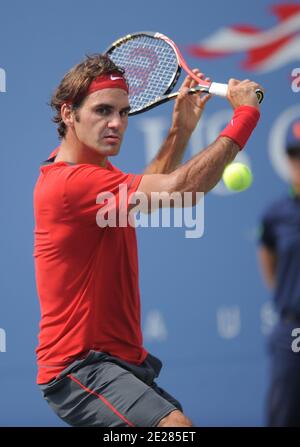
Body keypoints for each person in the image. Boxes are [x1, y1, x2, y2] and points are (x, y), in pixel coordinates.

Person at [33, 53, 262, 427]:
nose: (116, 123)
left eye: (124, 113)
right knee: (175, 430)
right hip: (80, 368)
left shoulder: (91, 172)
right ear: (68, 114)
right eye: (103, 111)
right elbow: (179, 190)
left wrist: (181, 131)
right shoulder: (70, 185)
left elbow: (149, 194)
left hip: (120, 361)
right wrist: (245, 116)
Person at [257, 136, 300, 427]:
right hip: (293, 330)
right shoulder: (276, 215)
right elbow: (267, 256)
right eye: (295, 156)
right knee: (284, 417)